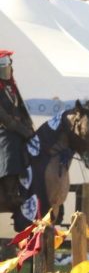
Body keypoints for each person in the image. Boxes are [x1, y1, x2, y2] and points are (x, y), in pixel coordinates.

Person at [0, 50, 35, 209]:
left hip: (17, 128)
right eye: (2, 65)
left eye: (8, 64)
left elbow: (22, 109)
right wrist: (23, 131)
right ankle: (10, 191)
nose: (6, 67)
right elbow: (5, 119)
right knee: (10, 143)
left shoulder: (12, 87)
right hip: (4, 129)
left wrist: (29, 127)